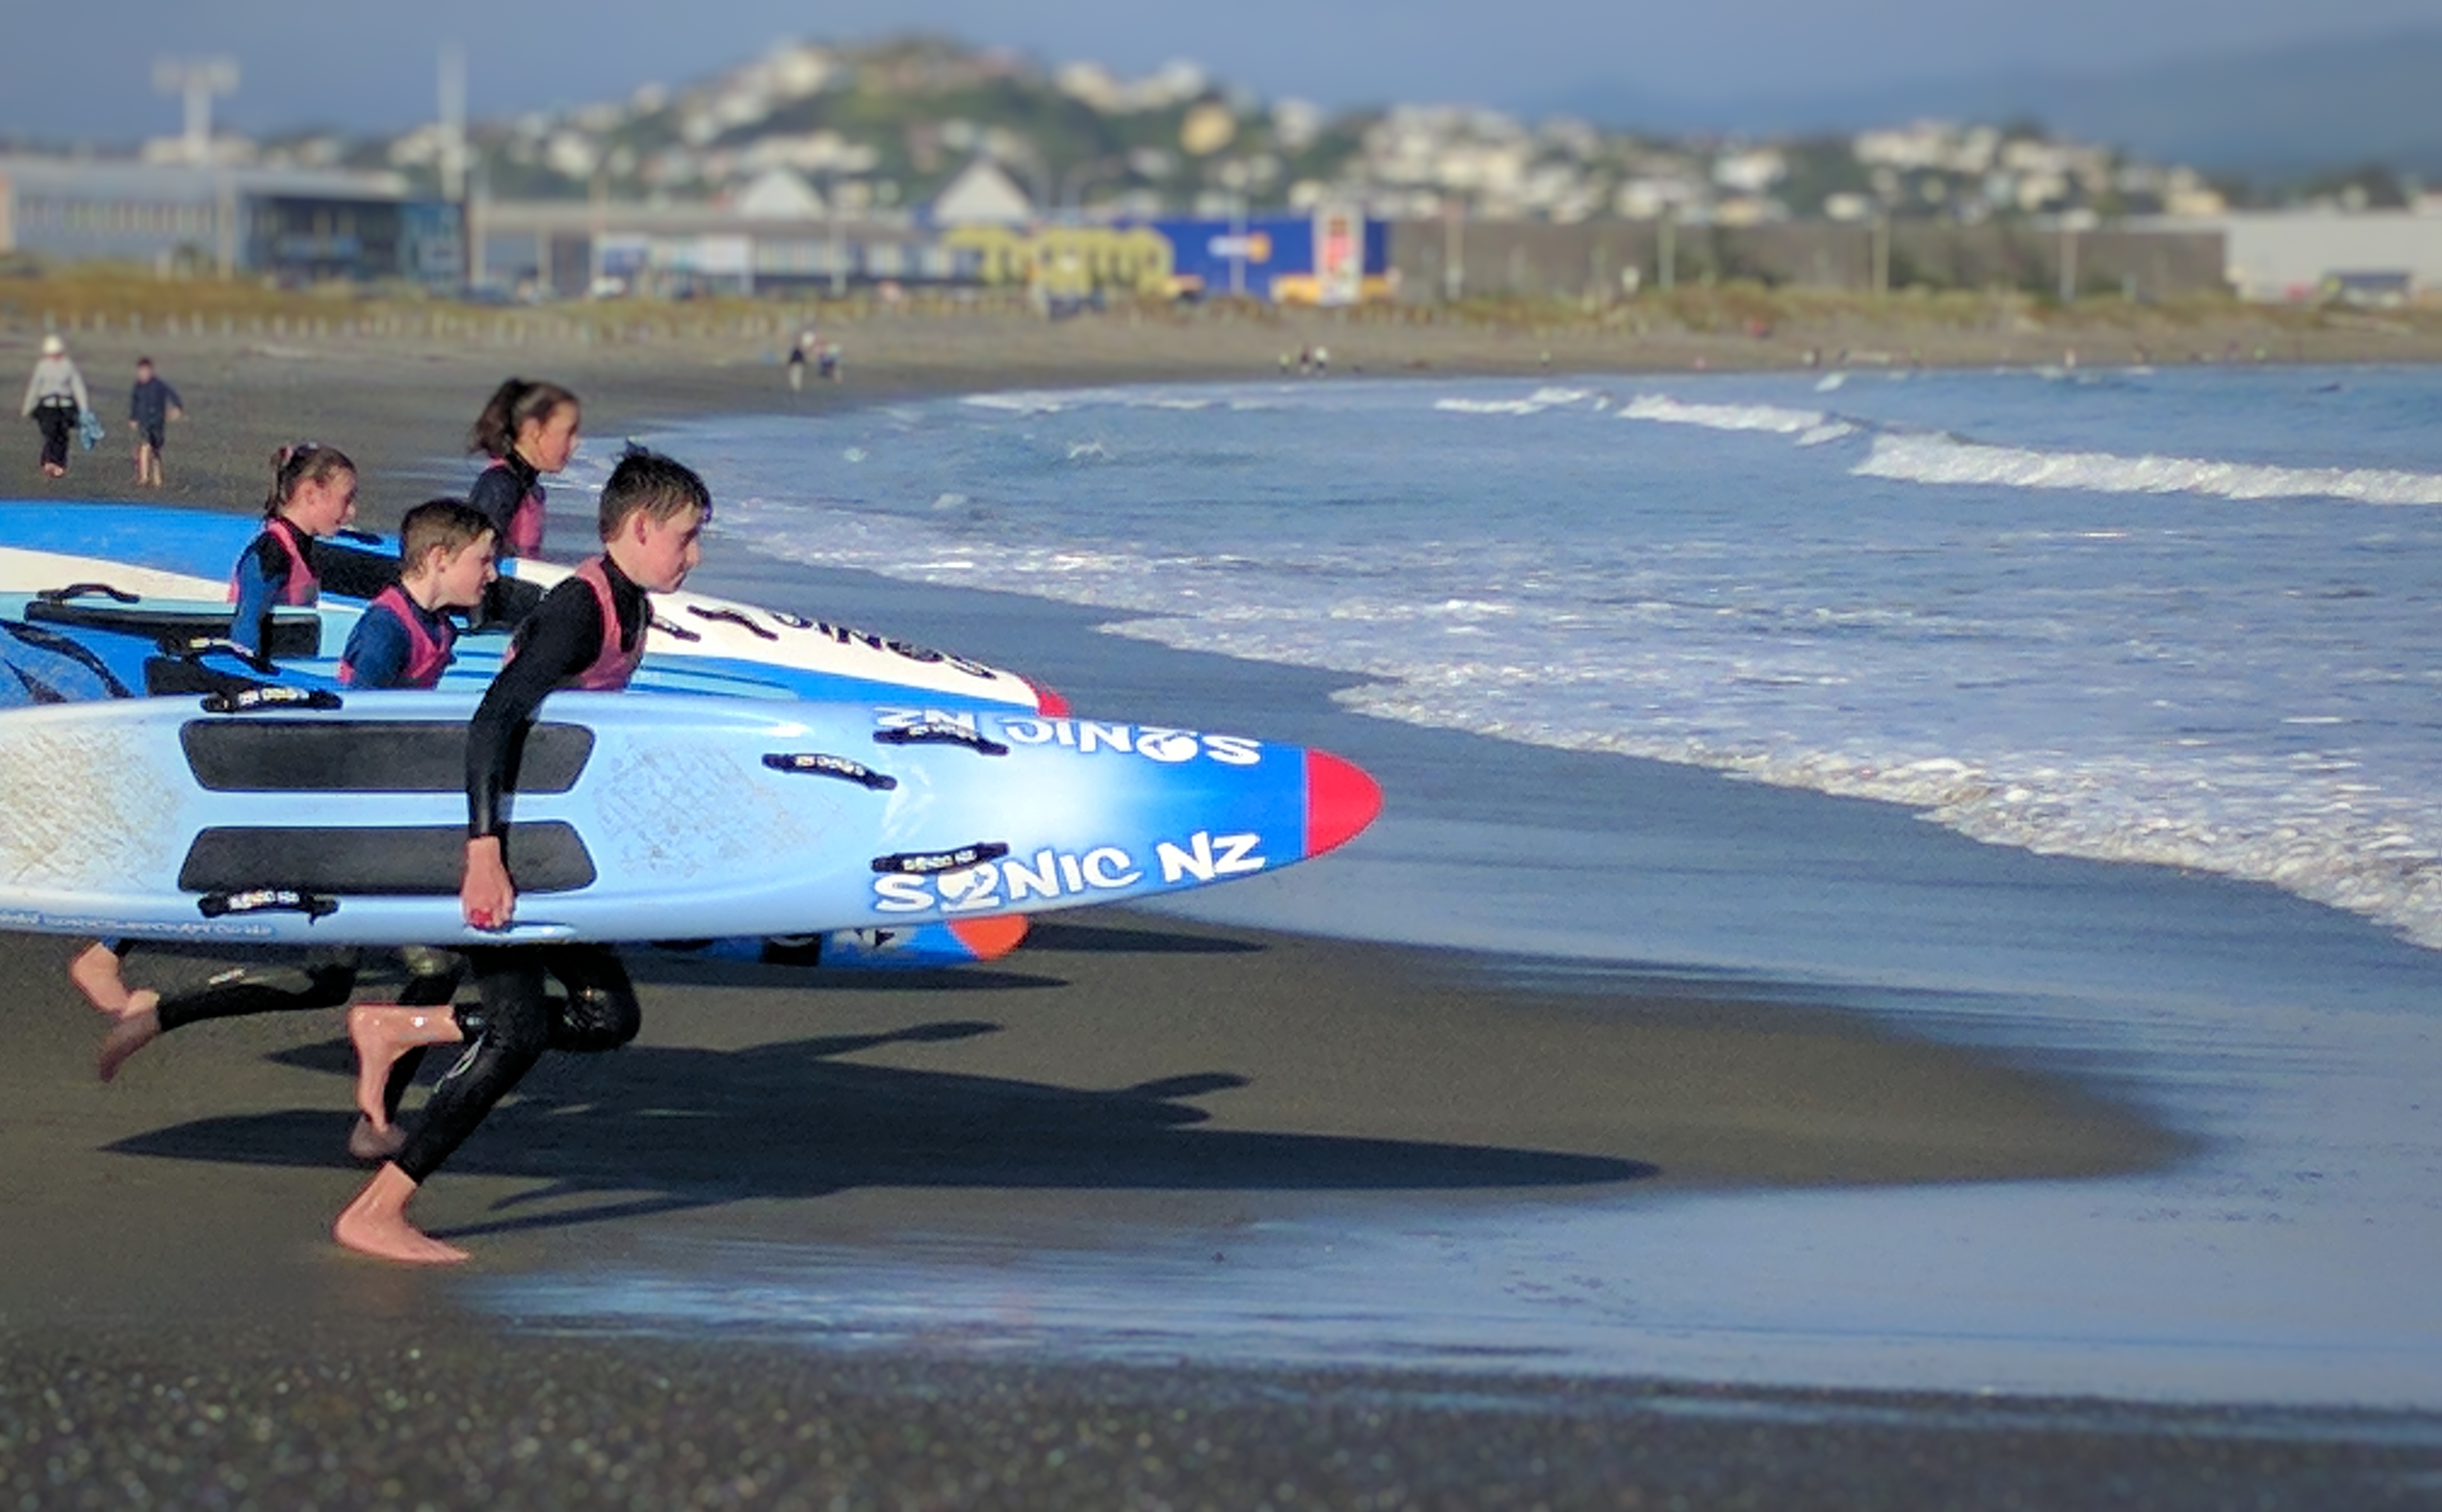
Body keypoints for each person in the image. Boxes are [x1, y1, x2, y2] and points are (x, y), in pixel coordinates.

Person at [336, 448, 711, 1264]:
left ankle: (399, 1026)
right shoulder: (582, 608)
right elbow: (493, 719)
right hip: (498, 841)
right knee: (515, 1035)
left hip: (548, 846)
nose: (695, 554)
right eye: (686, 537)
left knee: (607, 1018)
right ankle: (378, 1209)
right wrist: (483, 855)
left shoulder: (631, 604)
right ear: (640, 528)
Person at [88, 501, 502, 1153]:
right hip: (346, 829)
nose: (494, 574)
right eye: (484, 559)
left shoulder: (438, 627)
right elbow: (355, 732)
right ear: (438, 559)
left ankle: (158, 1018)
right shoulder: (387, 630)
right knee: (431, 962)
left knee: (329, 978)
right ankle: (374, 1121)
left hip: (375, 825)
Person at [229, 442, 357, 663]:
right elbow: (246, 625)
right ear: (310, 494)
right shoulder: (272, 552)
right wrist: (250, 675)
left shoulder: (302, 548)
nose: (352, 512)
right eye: (346, 500)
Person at [467, 378, 581, 560]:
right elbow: (474, 560)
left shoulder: (526, 485)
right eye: (569, 432)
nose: (576, 443)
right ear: (534, 431)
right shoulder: (500, 485)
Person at [21, 334, 89, 480]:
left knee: (63, 435)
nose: (54, 357)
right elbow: (35, 386)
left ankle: (60, 463)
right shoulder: (43, 366)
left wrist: (84, 409)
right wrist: (28, 406)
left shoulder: (68, 365)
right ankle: (49, 461)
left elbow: (77, 387)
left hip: (65, 406)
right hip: (46, 406)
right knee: (50, 433)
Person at [127, 357, 184, 488]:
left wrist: (177, 407)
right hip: (144, 421)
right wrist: (133, 418)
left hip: (158, 422)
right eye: (140, 372)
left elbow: (172, 395)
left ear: (151, 371)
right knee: (145, 446)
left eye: (145, 372)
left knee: (156, 451)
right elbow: (134, 403)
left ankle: (157, 478)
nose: (142, 375)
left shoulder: (159, 385)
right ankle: (144, 477)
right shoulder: (138, 387)